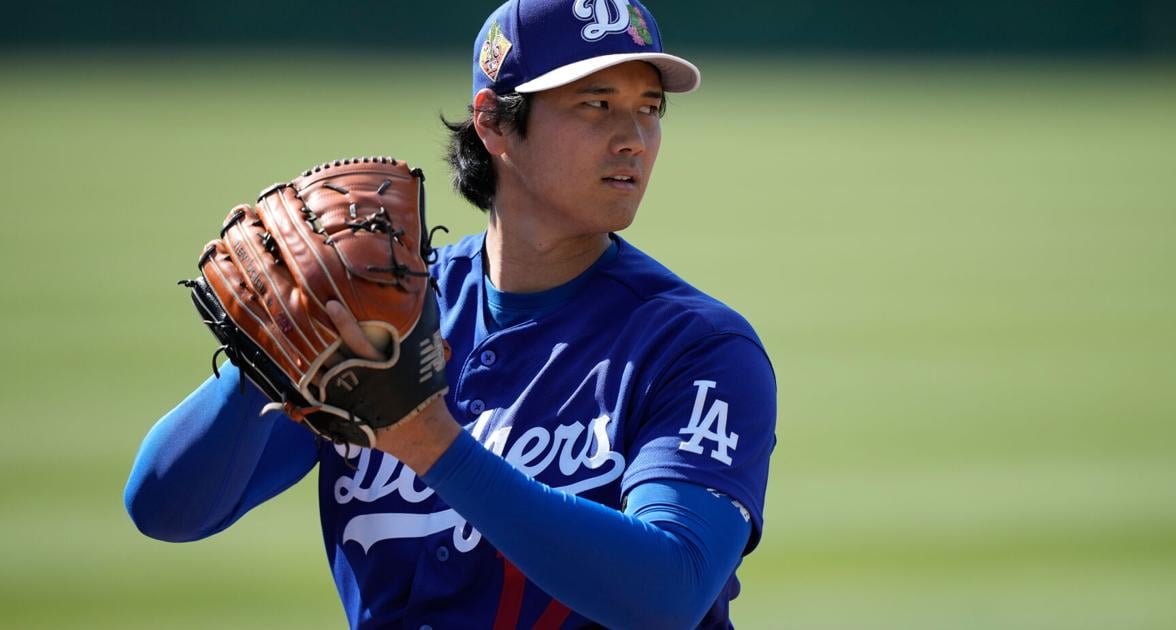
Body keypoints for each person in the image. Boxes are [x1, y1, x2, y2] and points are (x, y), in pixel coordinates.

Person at [124, 1, 777, 628]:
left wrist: (431, 445)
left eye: (649, 109)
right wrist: (263, 362)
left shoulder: (698, 348)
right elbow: (164, 509)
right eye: (596, 105)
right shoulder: (378, 315)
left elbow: (671, 591)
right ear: (493, 122)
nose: (634, 139)